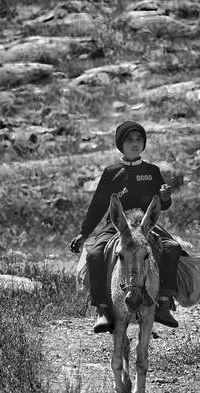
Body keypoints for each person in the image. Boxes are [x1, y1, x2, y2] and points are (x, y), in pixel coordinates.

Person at [69, 121, 181, 332]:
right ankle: (102, 309)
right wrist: (84, 233)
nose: (135, 143)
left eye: (139, 139)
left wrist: (165, 197)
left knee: (173, 248)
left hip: (145, 226)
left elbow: (163, 205)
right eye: (129, 140)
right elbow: (98, 205)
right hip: (117, 226)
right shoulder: (111, 172)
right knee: (94, 254)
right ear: (120, 144)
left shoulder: (152, 171)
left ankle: (164, 303)